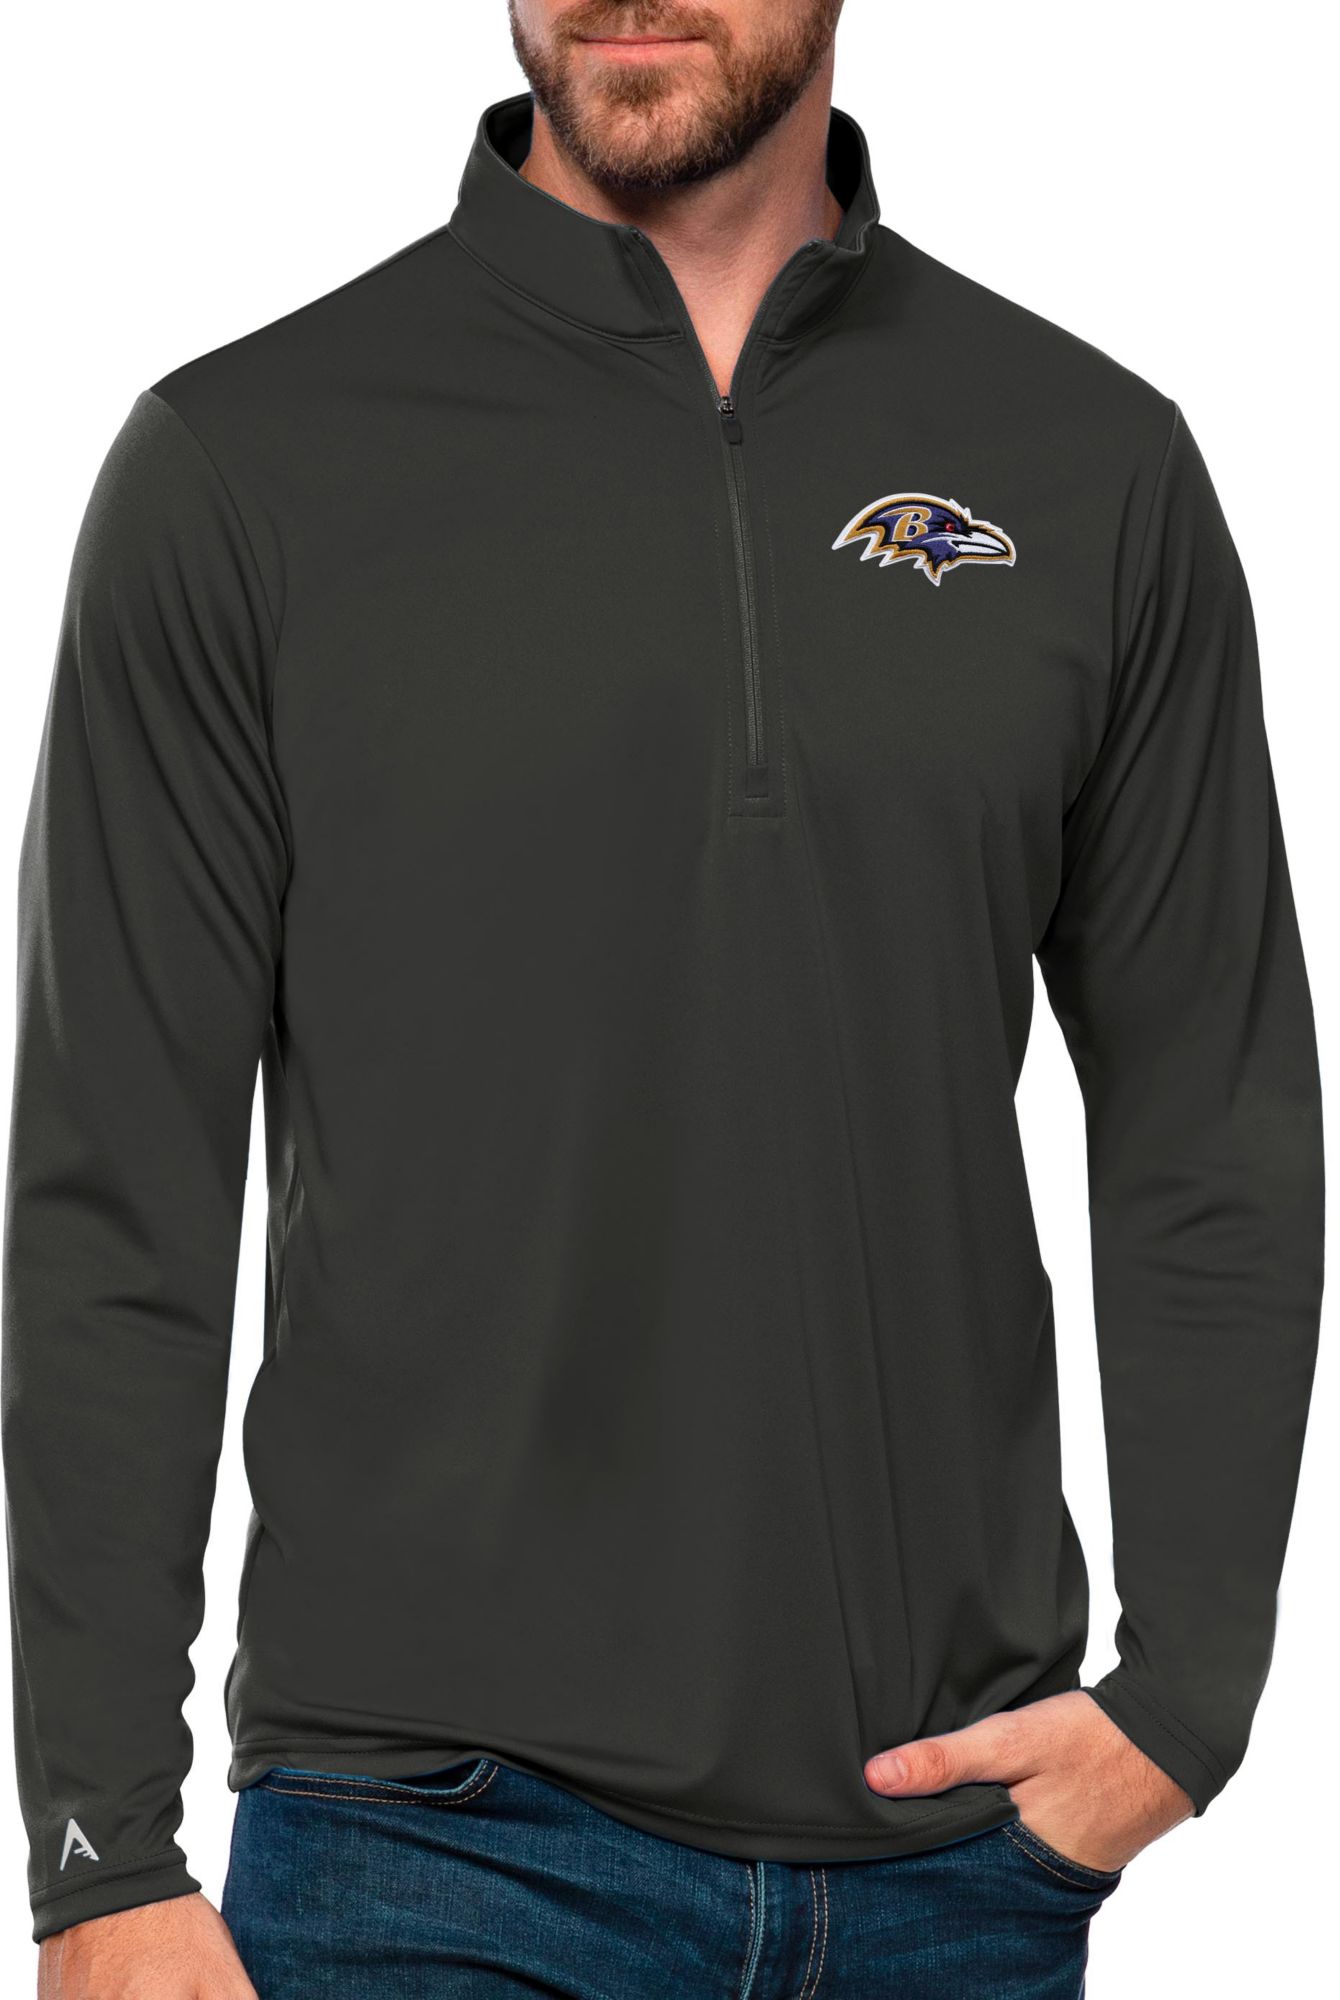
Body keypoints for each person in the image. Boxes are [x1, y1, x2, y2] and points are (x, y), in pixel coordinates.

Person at [4, 2, 1323, 1995]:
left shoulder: (1088, 461)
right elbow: (116, 1194)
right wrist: (101, 1852)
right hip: (419, 1850)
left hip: (953, 1862)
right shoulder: (244, 464)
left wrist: (1187, 1702)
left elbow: (1210, 1119)